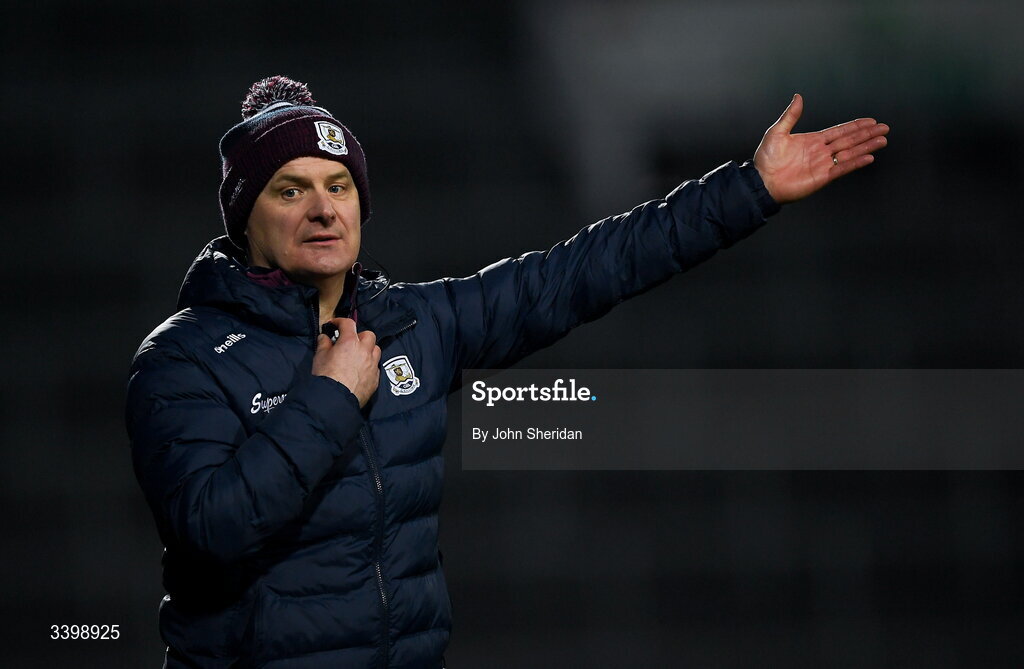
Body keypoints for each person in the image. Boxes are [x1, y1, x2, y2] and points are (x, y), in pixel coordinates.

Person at [125, 75, 889, 668]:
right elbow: (212, 529)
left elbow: (584, 271)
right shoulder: (182, 358)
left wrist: (746, 189)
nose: (323, 209)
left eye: (340, 185)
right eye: (290, 189)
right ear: (244, 217)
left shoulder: (413, 325)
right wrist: (328, 397)